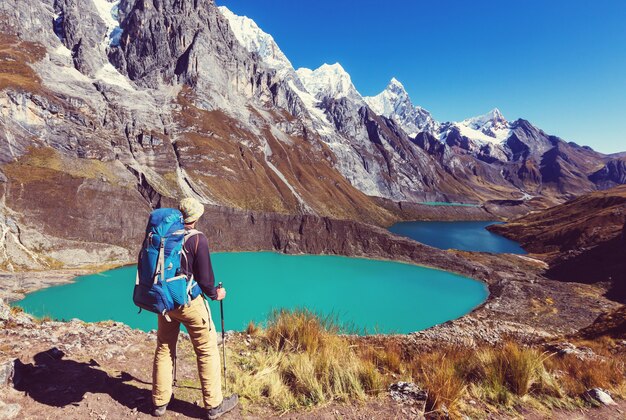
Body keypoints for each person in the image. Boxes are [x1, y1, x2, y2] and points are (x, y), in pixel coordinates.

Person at [152, 197, 238, 418]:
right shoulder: (197, 239)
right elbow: (206, 279)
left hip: (165, 302)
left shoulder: (164, 235)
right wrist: (216, 294)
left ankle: (160, 402)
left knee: (164, 347)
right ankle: (214, 405)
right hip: (189, 304)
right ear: (196, 217)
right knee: (206, 350)